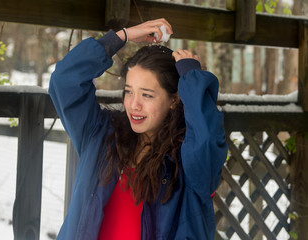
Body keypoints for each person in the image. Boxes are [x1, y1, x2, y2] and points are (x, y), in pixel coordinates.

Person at [49, 18, 228, 240]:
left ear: (174, 100)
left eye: (147, 95)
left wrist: (192, 78)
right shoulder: (102, 135)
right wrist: (123, 36)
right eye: (129, 91)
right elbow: (64, 81)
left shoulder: (187, 161)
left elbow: (207, 139)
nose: (134, 104)